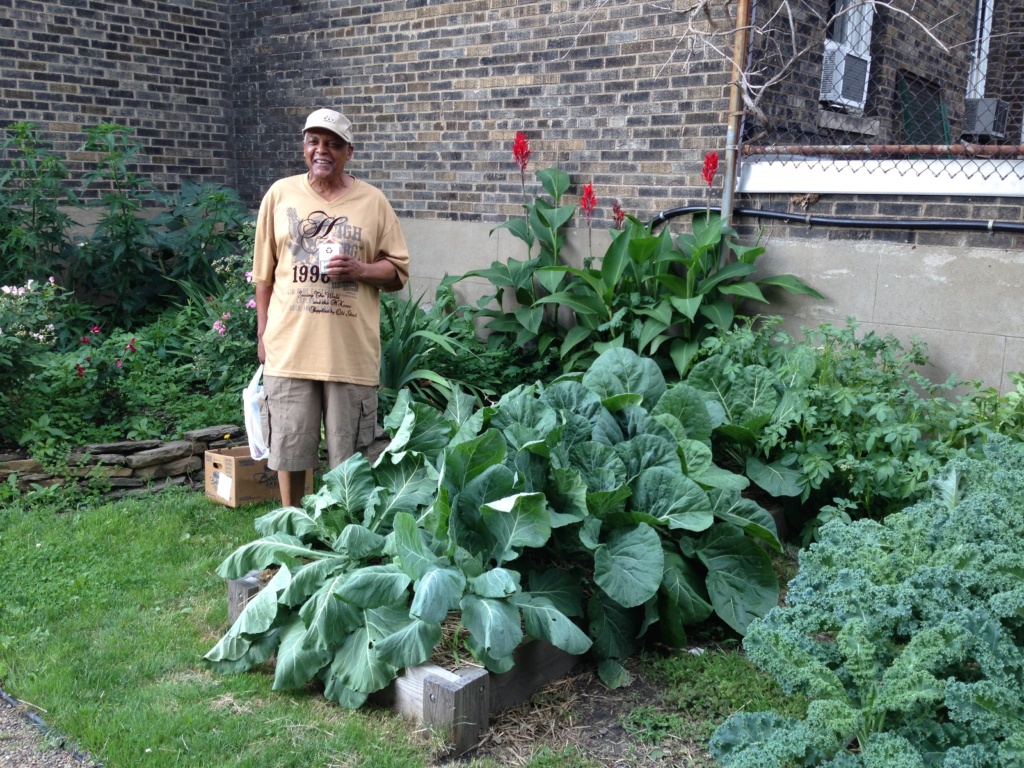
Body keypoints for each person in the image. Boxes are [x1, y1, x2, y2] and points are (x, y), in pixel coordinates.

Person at [251, 108, 409, 507]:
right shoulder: (280, 195)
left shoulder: (373, 202)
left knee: (349, 457)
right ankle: (293, 524)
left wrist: (359, 269)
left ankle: (344, 526)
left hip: (348, 353)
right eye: (314, 141)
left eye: (333, 144)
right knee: (288, 447)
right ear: (304, 147)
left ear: (348, 152)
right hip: (290, 348)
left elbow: (398, 272)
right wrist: (263, 334)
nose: (322, 150)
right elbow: (264, 276)